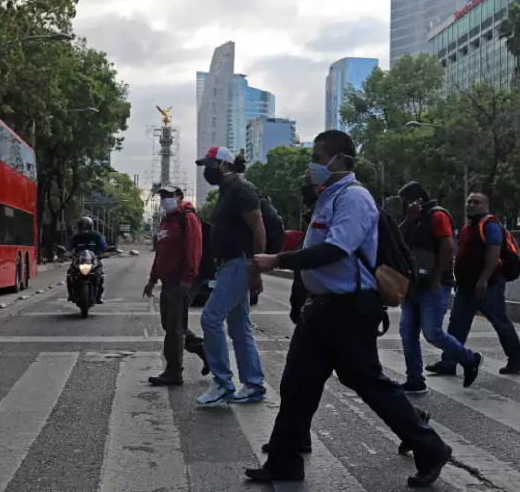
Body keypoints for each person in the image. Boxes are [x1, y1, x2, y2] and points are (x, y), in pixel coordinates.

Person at [247, 130, 451, 487]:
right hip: (322, 308)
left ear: (338, 160)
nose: (313, 165)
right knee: (297, 383)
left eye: (317, 157)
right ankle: (284, 461)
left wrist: (277, 259)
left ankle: (430, 447)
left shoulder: (355, 199)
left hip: (349, 308)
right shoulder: (329, 197)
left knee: (368, 382)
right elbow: (317, 251)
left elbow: (336, 250)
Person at [194, 146, 267, 405]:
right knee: (238, 327)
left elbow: (258, 228)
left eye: (209, 165)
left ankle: (223, 382)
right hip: (231, 263)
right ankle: (253, 383)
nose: (206, 170)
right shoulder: (227, 192)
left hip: (240, 263)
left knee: (210, 318)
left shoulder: (241, 190)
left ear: (224, 165)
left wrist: (256, 267)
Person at [430, 192, 520, 376]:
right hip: (466, 287)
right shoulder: (469, 227)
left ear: (486, 205)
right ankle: (449, 362)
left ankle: (517, 359)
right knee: (457, 325)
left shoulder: (489, 225)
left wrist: (483, 280)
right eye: (469, 201)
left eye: (476, 202)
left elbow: (493, 254)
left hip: (487, 286)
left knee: (500, 323)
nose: (471, 204)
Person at [398, 182, 482, 391]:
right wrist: (408, 219)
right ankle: (415, 378)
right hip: (412, 285)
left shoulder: (437, 216)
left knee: (432, 332)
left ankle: (469, 359)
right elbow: (395, 239)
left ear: (418, 199)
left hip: (434, 285)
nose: (404, 206)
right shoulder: (411, 219)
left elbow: (448, 245)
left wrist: (437, 276)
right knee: (407, 332)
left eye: (406, 201)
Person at [143, 185, 210, 385]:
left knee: (174, 327)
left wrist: (188, 279)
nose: (165, 199)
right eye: (162, 196)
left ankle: (174, 371)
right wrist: (152, 279)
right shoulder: (166, 221)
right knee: (170, 324)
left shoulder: (188, 218)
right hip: (168, 280)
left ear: (180, 197)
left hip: (181, 280)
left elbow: (194, 250)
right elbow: (160, 254)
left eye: (169, 196)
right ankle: (205, 351)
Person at [66, 216, 107, 304]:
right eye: (82, 226)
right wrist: (66, 253)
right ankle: (71, 294)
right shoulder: (76, 237)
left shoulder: (96, 236)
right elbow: (68, 247)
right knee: (69, 274)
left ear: (90, 226)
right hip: (79, 260)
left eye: (86, 226)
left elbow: (104, 247)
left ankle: (98, 295)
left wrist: (106, 252)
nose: (84, 229)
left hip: (93, 260)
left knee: (101, 275)